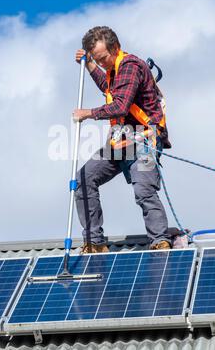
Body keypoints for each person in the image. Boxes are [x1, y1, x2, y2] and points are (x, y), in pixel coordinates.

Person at [73, 26, 172, 254]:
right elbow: (108, 88)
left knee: (144, 189)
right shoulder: (112, 69)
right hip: (120, 142)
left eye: (102, 58)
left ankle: (160, 242)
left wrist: (87, 113)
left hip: (145, 141)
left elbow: (120, 106)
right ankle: (94, 243)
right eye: (97, 60)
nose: (102, 64)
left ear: (115, 47)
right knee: (83, 180)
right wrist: (89, 64)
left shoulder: (130, 66)